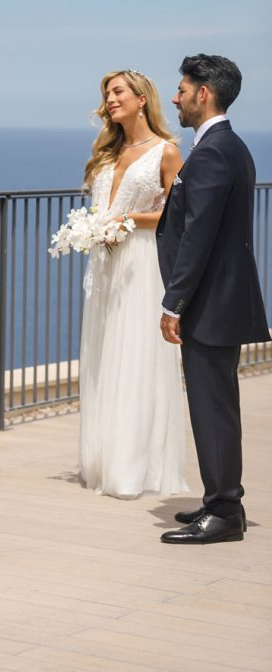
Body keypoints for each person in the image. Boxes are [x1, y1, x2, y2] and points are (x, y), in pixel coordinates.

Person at [157, 55, 269, 544]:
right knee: (213, 404)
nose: (176, 97)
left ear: (205, 93)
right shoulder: (226, 147)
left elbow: (199, 234)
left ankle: (224, 510)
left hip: (210, 301)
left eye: (182, 89)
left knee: (212, 406)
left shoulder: (214, 151)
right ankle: (219, 502)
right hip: (218, 298)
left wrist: (173, 302)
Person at [78, 69, 188, 499]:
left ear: (142, 98)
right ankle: (103, 460)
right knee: (104, 355)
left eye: (118, 91)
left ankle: (134, 467)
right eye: (106, 93)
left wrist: (128, 219)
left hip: (142, 263)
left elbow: (177, 215)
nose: (110, 99)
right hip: (105, 265)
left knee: (138, 358)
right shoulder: (107, 152)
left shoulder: (167, 152)